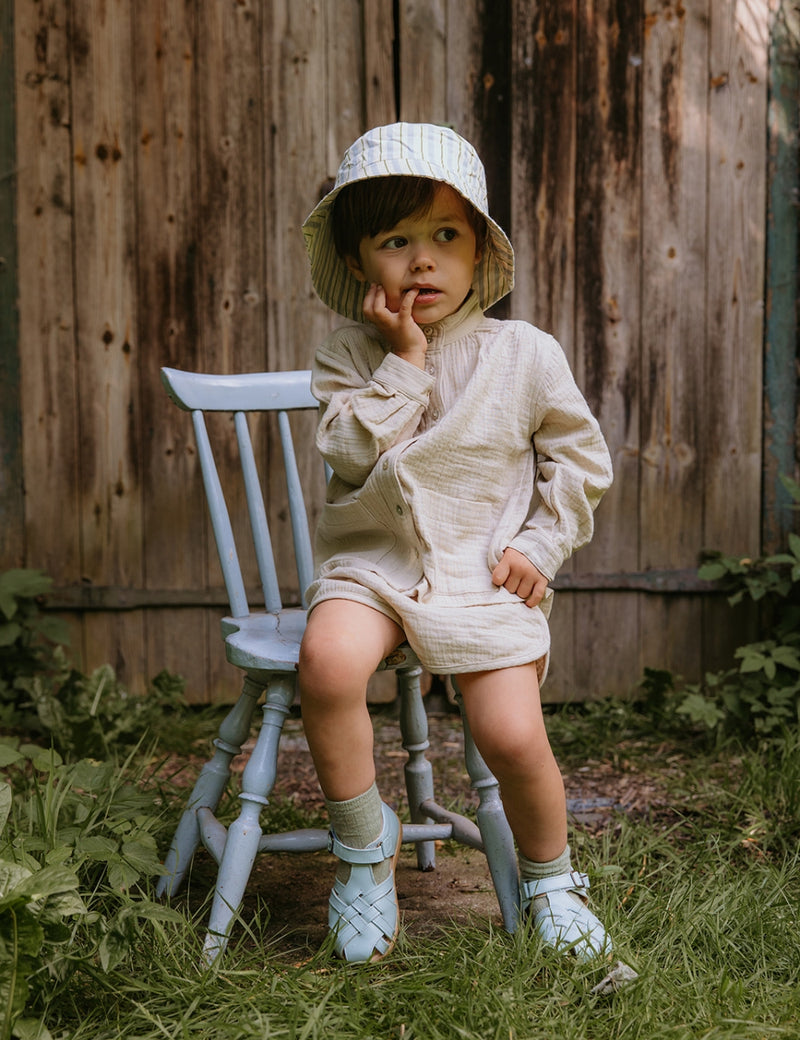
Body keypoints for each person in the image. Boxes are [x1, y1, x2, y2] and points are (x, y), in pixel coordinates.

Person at [299, 122, 616, 967]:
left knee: (509, 733)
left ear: (480, 249)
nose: (422, 262)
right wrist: (403, 362)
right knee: (327, 664)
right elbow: (349, 453)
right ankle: (364, 850)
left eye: (445, 236)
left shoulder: (524, 354)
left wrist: (541, 545)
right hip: (377, 564)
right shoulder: (348, 356)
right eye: (394, 242)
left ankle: (551, 881)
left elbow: (579, 460)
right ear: (359, 260)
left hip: (483, 571)